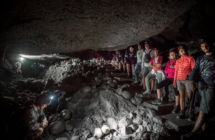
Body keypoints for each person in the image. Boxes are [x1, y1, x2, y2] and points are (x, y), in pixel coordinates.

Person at [181, 40, 215, 140]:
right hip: (200, 86)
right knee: (203, 109)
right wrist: (191, 80)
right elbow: (195, 70)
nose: (205, 47)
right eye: (203, 46)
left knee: (202, 111)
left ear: (210, 45)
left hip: (211, 87)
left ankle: (193, 133)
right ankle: (204, 131)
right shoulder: (200, 58)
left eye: (206, 45)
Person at [173, 45, 195, 119]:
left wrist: (191, 78)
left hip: (188, 80)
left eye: (182, 50)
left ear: (185, 50)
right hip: (179, 80)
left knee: (190, 97)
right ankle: (182, 111)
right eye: (180, 50)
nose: (181, 51)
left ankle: (191, 112)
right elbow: (176, 71)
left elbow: (194, 69)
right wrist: (174, 81)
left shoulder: (190, 58)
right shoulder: (178, 60)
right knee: (181, 96)